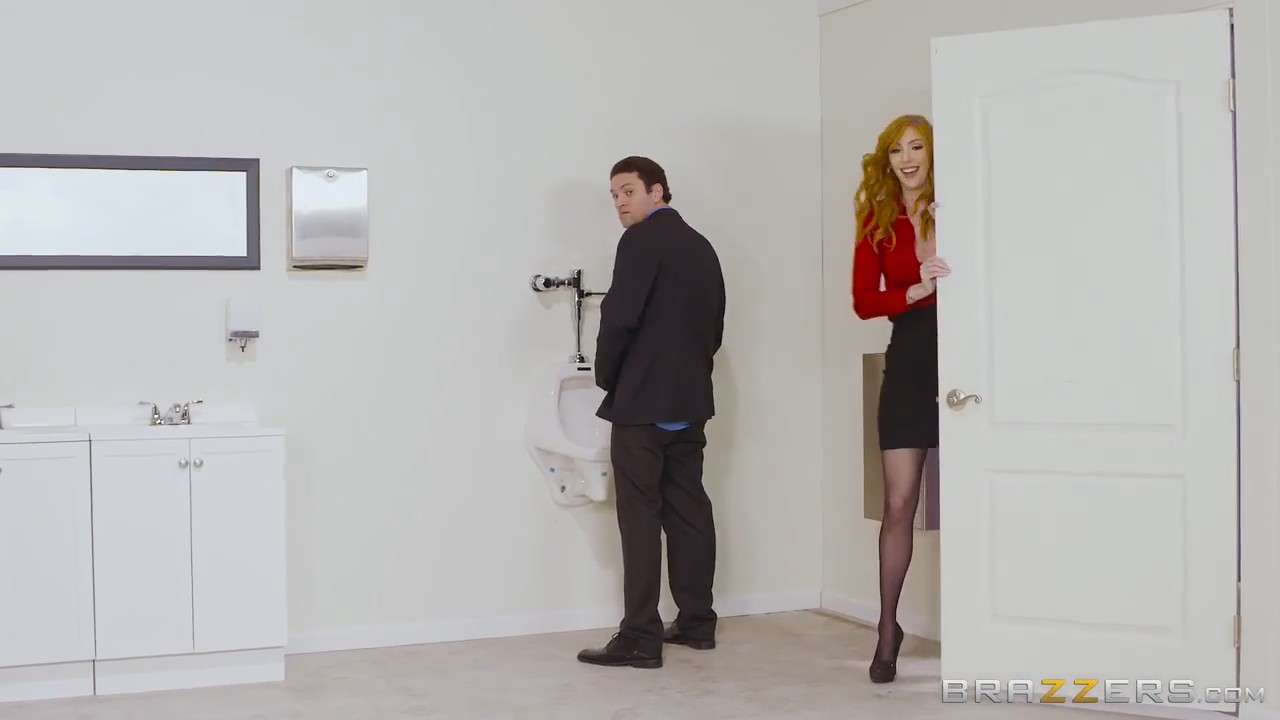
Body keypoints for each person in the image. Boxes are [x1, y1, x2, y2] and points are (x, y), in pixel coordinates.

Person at [576, 156, 727, 669]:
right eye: (614, 195)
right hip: (689, 400)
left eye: (628, 191)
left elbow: (619, 317)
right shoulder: (701, 246)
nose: (620, 202)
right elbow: (714, 327)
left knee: (639, 516)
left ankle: (640, 635)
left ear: (657, 191)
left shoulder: (639, 240)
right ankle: (697, 623)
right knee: (689, 508)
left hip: (643, 404)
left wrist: (608, 376)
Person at [850, 115, 950, 683]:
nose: (908, 159)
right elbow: (864, 301)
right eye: (896, 151)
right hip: (910, 359)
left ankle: (984, 629)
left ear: (933, 152)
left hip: (965, 357)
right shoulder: (877, 221)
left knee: (975, 499)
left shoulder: (962, 206)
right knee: (899, 502)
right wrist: (918, 288)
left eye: (917, 147)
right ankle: (888, 628)